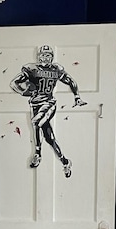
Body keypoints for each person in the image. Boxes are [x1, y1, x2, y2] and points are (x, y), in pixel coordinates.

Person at [10, 44, 86, 177]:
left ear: (52, 57)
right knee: (49, 138)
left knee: (35, 122)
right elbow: (14, 83)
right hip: (35, 104)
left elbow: (70, 81)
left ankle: (37, 153)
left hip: (49, 103)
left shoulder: (56, 69)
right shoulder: (32, 69)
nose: (45, 58)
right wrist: (23, 92)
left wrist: (77, 97)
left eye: (48, 55)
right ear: (39, 57)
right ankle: (65, 162)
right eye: (43, 55)